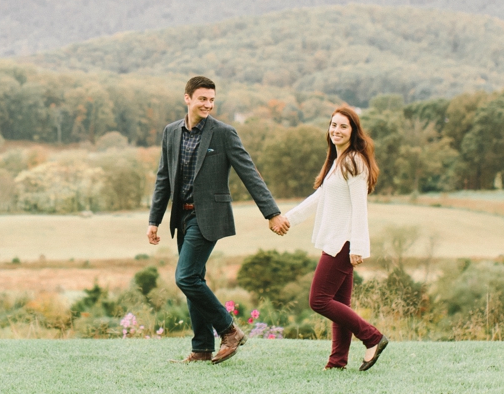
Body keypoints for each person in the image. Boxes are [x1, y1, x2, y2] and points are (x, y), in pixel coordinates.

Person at [147, 76, 287, 364]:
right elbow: (164, 178)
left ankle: (229, 330)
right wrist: (154, 220)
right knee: (195, 279)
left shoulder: (224, 133)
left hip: (208, 216)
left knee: (185, 277)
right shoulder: (171, 132)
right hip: (181, 216)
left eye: (211, 100)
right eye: (202, 99)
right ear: (187, 98)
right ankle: (201, 348)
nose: (208, 104)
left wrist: (272, 213)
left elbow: (249, 172)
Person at [279, 104, 389, 371]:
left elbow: (360, 207)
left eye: (343, 126)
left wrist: (359, 246)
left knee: (319, 300)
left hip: (344, 242)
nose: (336, 130)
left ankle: (372, 337)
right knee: (339, 304)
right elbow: (320, 197)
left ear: (353, 131)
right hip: (336, 240)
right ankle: (337, 361)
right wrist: (288, 219)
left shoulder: (354, 162)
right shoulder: (339, 161)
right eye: (333, 125)